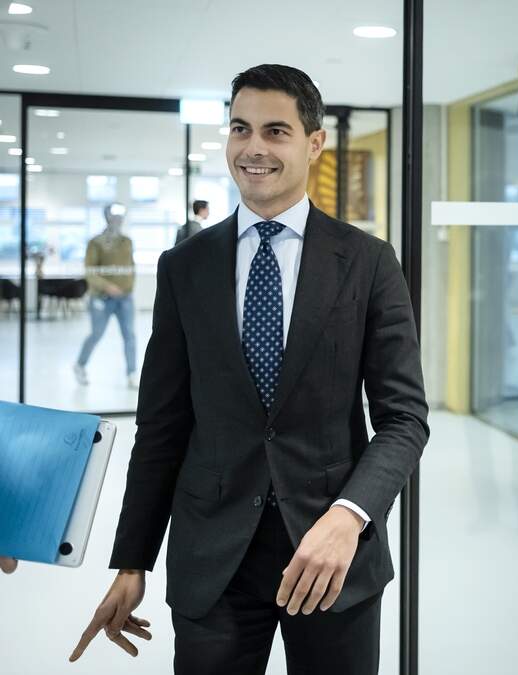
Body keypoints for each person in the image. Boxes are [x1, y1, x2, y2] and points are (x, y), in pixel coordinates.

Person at [69, 64, 429, 674]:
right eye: (240, 128)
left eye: (275, 131)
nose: (253, 147)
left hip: (330, 554)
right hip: (214, 559)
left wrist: (350, 516)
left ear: (314, 143)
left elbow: (404, 418)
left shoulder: (367, 261)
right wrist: (132, 560)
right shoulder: (184, 266)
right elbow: (162, 426)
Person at [74, 203, 139, 389]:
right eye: (114, 216)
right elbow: (90, 271)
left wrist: (128, 287)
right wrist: (107, 286)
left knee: (129, 335)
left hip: (125, 298)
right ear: (107, 217)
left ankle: (132, 372)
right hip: (101, 298)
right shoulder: (95, 243)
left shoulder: (127, 242)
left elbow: (130, 266)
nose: (118, 220)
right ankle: (80, 365)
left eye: (120, 216)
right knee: (96, 333)